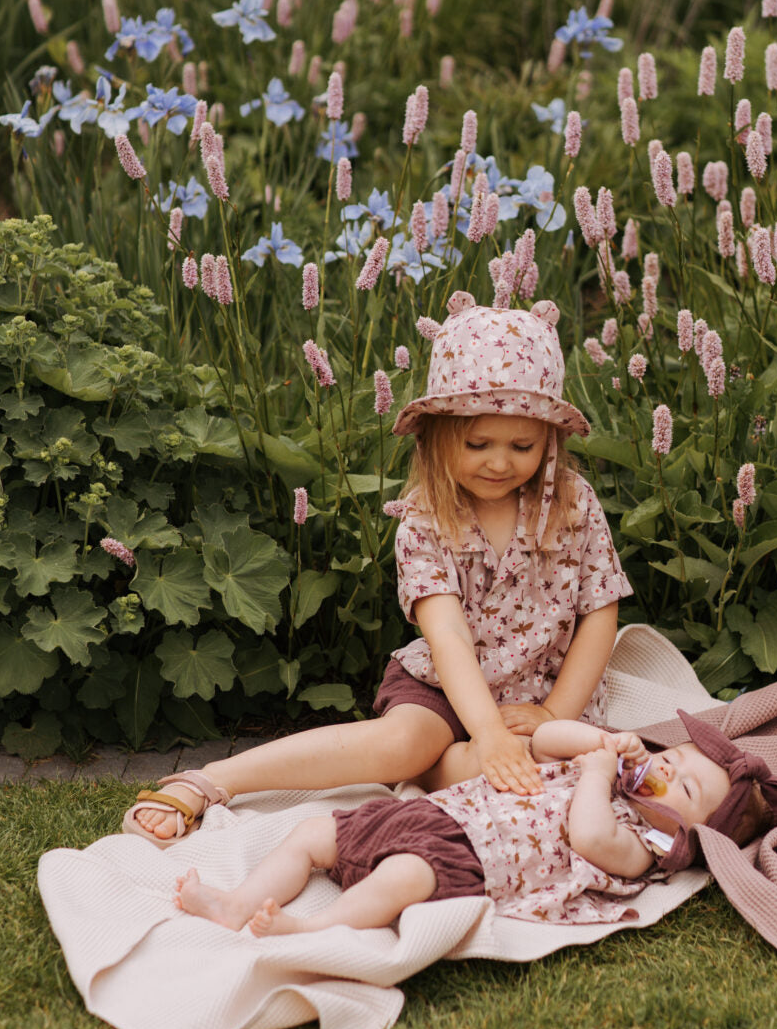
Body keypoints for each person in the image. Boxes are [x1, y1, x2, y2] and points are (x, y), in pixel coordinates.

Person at [124, 293, 634, 847]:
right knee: (403, 743)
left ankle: (445, 768)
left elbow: (598, 614)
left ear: (550, 440)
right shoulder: (424, 519)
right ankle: (211, 780)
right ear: (438, 433)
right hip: (444, 683)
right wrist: (486, 730)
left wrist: (554, 713)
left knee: (556, 761)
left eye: (523, 445)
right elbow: (448, 637)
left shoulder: (572, 503)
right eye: (478, 442)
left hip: (540, 689)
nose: (500, 461)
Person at [171, 711, 777, 934]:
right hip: (433, 811)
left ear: (689, 835)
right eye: (670, 757)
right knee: (313, 833)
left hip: (467, 859)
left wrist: (592, 777)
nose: (663, 769)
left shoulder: (646, 844)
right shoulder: (605, 766)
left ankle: (312, 929)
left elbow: (588, 837)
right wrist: (603, 743)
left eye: (684, 785)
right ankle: (237, 903)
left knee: (402, 879)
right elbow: (546, 736)